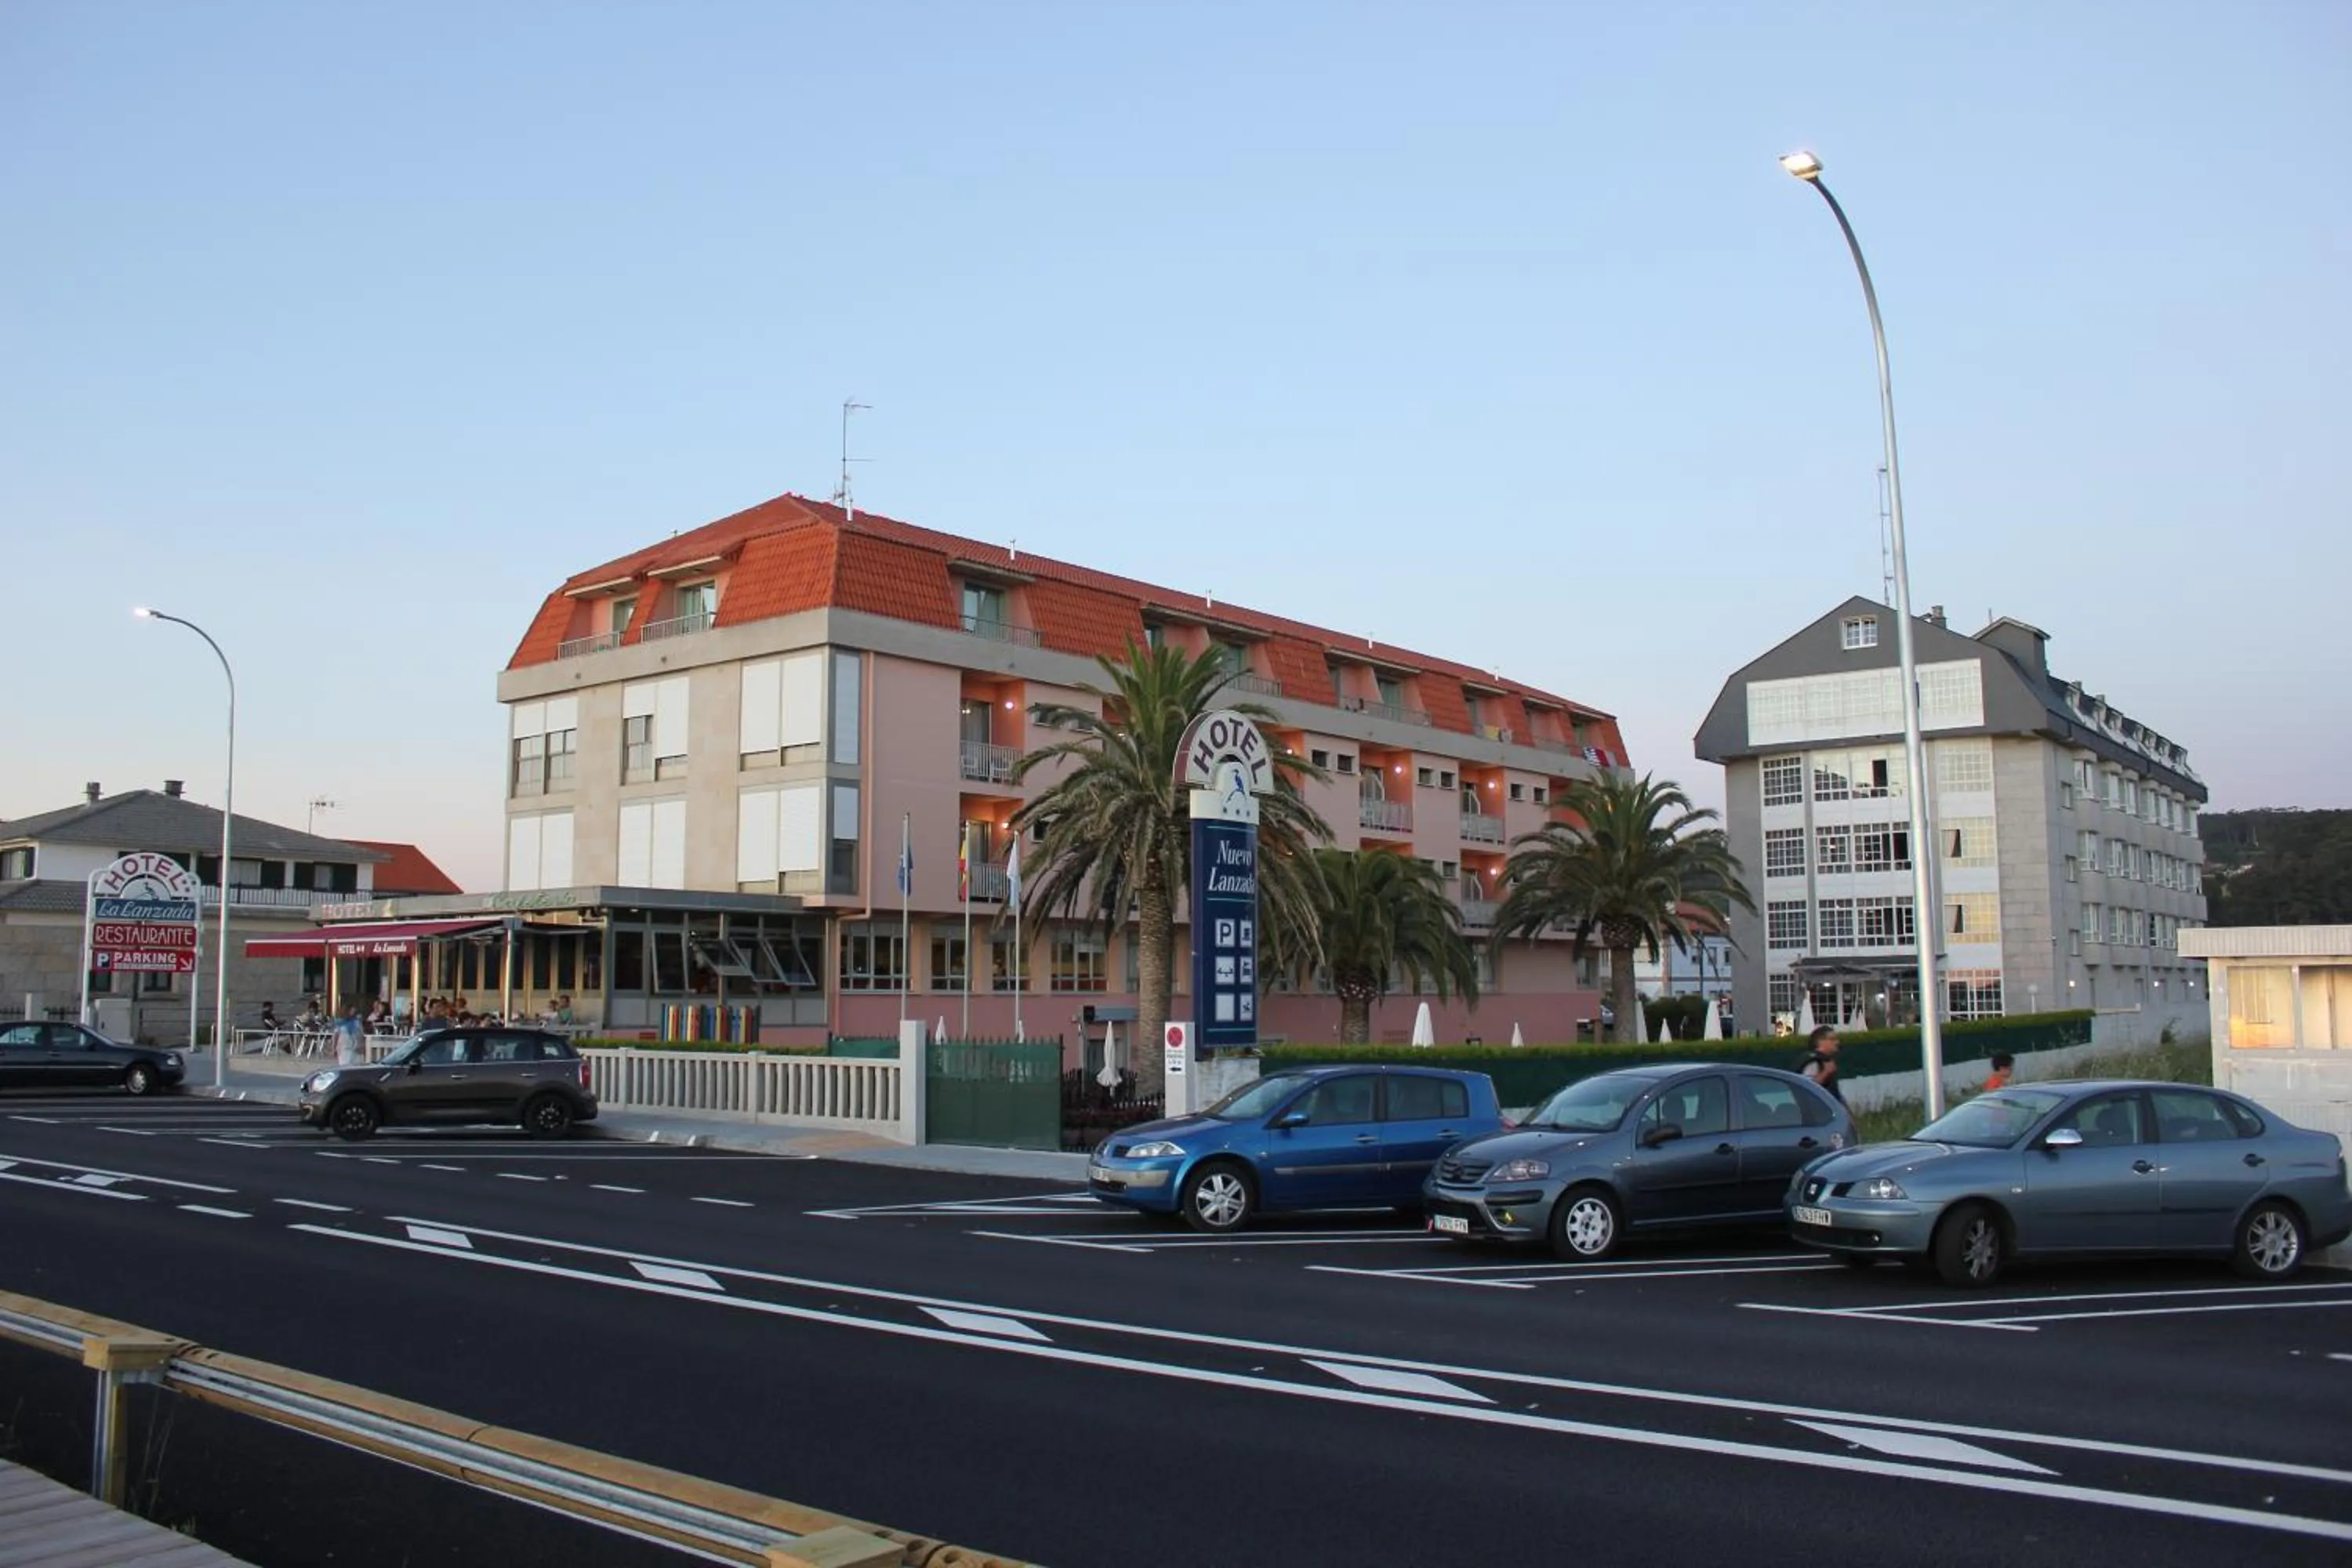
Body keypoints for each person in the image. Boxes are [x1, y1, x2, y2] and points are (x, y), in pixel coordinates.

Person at [1795, 1025, 1842, 1102]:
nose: (1837, 1042)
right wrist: (1826, 1072)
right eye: (1832, 1039)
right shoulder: (1814, 1061)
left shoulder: (1823, 1059)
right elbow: (1807, 1086)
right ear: (1820, 1042)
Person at [332, 1002, 365, 1066]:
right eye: (351, 1011)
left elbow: (361, 1035)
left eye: (354, 1011)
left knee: (356, 1067)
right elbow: (335, 1036)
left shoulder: (357, 1022)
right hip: (344, 1049)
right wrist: (334, 1048)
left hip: (356, 1049)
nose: (353, 1012)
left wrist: (362, 1046)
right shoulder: (340, 1023)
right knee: (345, 1066)